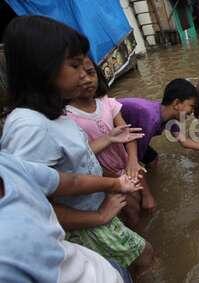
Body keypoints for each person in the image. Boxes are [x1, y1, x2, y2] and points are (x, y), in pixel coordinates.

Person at [0, 16, 155, 279]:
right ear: (42, 69)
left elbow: (70, 174)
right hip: (84, 223)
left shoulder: (56, 114)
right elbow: (35, 208)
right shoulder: (29, 128)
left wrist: (112, 171)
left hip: (95, 209)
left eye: (87, 68)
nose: (85, 76)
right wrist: (100, 217)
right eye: (75, 66)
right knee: (144, 257)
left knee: (133, 260)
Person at [0, 152, 141, 283]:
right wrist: (99, 216)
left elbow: (73, 181)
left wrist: (118, 184)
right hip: (91, 232)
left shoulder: (5, 163)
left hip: (98, 266)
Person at [66, 57, 156, 229]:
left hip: (125, 164)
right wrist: (108, 141)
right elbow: (80, 156)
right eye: (78, 74)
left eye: (91, 72)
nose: (86, 79)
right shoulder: (67, 117)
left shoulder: (106, 103)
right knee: (131, 210)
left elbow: (127, 133)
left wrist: (132, 160)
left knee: (145, 202)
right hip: (104, 176)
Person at [118, 78, 199, 168]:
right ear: (177, 103)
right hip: (111, 128)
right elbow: (134, 162)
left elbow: (184, 142)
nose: (192, 112)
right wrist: (147, 196)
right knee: (129, 165)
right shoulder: (151, 121)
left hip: (130, 127)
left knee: (153, 160)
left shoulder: (167, 115)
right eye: (191, 106)